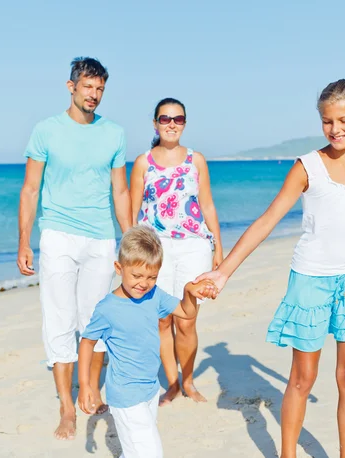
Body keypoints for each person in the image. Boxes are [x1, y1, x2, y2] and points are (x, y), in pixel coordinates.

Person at [196, 79, 345, 458]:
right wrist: (223, 271)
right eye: (327, 121)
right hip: (310, 281)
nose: (336, 129)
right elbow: (267, 220)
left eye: (344, 120)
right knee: (303, 377)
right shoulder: (307, 166)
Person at [16, 57, 131, 440]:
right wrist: (24, 241)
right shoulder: (46, 130)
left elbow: (120, 190)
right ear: (71, 87)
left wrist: (127, 241)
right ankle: (67, 405)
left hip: (100, 236)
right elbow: (31, 189)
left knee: (95, 319)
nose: (94, 95)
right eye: (88, 87)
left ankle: (92, 387)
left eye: (100, 89)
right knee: (60, 319)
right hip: (58, 236)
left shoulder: (114, 134)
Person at [77, 225, 216, 458]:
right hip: (125, 395)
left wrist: (189, 293)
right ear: (119, 268)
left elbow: (186, 312)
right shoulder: (107, 309)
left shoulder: (155, 294)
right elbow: (87, 342)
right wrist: (85, 385)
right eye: (137, 276)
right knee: (150, 452)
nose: (144, 283)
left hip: (150, 389)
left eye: (152, 277)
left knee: (136, 450)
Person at [129, 97, 223, 405]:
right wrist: (131, 255)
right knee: (162, 319)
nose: (172, 124)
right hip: (155, 249)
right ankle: (171, 383)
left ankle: (189, 380)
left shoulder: (196, 160)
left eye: (178, 119)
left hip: (194, 245)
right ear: (155, 123)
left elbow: (207, 204)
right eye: (165, 118)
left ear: (184, 123)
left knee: (187, 319)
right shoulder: (143, 162)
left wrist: (218, 247)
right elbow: (133, 213)